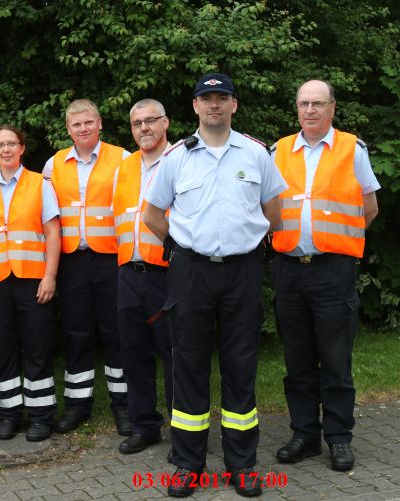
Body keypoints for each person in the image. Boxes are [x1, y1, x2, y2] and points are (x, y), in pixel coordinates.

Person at [143, 73, 287, 498]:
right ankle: (189, 465)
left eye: (222, 97)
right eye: (207, 98)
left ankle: (242, 466)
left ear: (234, 105)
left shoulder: (257, 154)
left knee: (241, 365)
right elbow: (152, 213)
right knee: (188, 365)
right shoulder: (177, 157)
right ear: (195, 107)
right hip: (190, 272)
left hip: (241, 272)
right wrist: (177, 248)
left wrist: (249, 241)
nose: (215, 105)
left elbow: (274, 211)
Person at [271, 80, 380, 472]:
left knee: (335, 358)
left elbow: (368, 207)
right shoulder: (279, 150)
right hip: (288, 270)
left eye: (318, 103)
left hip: (333, 270)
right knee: (297, 358)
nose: (310, 110)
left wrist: (335, 240)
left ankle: (338, 437)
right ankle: (304, 434)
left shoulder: (353, 148)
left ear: (332, 108)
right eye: (304, 103)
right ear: (296, 109)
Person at [0, 125, 61, 442]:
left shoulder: (39, 184)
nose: (5, 150)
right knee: (2, 348)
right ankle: (7, 415)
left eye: (11, 144)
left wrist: (50, 275)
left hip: (33, 280)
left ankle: (41, 416)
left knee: (36, 346)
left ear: (22, 148)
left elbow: (52, 232)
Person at [42, 99, 131, 436]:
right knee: (76, 333)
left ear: (100, 124)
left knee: (115, 332)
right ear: (68, 129)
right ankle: (78, 406)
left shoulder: (122, 159)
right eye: (76, 125)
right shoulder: (53, 165)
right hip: (72, 261)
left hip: (111, 258)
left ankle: (124, 406)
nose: (83, 129)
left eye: (88, 123)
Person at [112, 99, 174, 455]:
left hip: (167, 272)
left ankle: (184, 427)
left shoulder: (180, 160)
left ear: (165, 123)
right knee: (133, 353)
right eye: (137, 123)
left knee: (175, 354)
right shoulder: (124, 167)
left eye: (151, 121)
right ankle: (144, 425)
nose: (144, 128)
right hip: (128, 271)